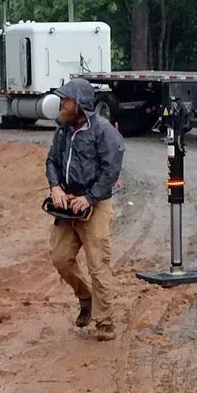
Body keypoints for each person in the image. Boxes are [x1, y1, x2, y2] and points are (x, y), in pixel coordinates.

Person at [46, 77, 125, 339]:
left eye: (66, 100)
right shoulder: (62, 130)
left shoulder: (103, 131)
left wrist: (90, 197)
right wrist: (55, 186)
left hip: (95, 204)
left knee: (98, 263)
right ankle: (85, 298)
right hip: (67, 205)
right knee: (60, 258)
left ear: (79, 105)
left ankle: (105, 322)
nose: (61, 104)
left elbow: (111, 169)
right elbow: (52, 161)